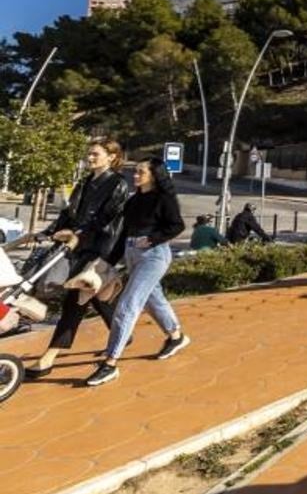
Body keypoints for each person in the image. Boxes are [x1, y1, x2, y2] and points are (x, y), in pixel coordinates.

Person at [23, 139, 130, 379]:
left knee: (75, 302)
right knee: (96, 299)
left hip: (98, 250)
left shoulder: (118, 183)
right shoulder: (85, 182)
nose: (89, 158)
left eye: (95, 154)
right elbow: (68, 213)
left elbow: (107, 218)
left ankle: (47, 359)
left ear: (112, 156)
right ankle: (122, 333)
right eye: (89, 154)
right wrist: (47, 232)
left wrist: (78, 234)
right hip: (77, 246)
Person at [85, 159, 189, 386]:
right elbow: (123, 234)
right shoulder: (134, 200)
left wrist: (152, 239)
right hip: (132, 253)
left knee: (127, 305)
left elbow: (177, 226)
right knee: (154, 300)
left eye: (141, 171)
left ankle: (110, 364)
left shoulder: (164, 199)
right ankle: (176, 336)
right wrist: (108, 262)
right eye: (136, 171)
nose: (135, 175)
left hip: (154, 255)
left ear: (153, 175)